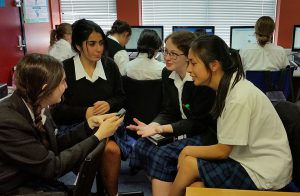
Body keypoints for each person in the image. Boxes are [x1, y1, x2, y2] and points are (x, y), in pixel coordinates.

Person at [169, 35, 293, 196]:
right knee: (195, 186)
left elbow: (223, 151)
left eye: (193, 63)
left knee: (189, 164)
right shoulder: (230, 86)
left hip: (263, 172)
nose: (189, 70)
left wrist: (187, 150)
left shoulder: (238, 98)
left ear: (214, 65)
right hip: (251, 161)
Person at [0, 53, 123, 195]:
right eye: (63, 81)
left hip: (32, 177)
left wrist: (88, 125)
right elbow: (52, 167)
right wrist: (98, 136)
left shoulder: (40, 105)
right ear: (45, 88)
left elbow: (55, 145)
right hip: (12, 187)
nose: (66, 86)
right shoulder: (8, 122)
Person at [127, 31, 217, 196]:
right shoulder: (167, 73)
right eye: (165, 51)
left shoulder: (201, 79)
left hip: (204, 134)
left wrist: (161, 129)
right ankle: (167, 183)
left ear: (189, 55)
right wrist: (153, 126)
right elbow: (168, 110)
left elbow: (199, 123)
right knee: (142, 144)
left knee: (161, 155)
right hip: (179, 129)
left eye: (173, 54)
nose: (167, 57)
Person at [50, 19, 125, 196]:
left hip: (106, 126)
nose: (98, 49)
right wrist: (85, 112)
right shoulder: (65, 69)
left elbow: (121, 97)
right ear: (78, 45)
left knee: (112, 151)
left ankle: (112, 194)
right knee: (91, 156)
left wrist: (109, 104)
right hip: (74, 128)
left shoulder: (109, 65)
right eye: (92, 44)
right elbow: (57, 110)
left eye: (101, 43)